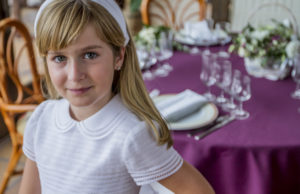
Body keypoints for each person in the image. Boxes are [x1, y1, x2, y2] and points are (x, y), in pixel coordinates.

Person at [19, 0, 215, 193]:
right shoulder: (41, 118)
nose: (74, 75)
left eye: (89, 55)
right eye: (60, 58)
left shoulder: (131, 134)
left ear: (119, 56)